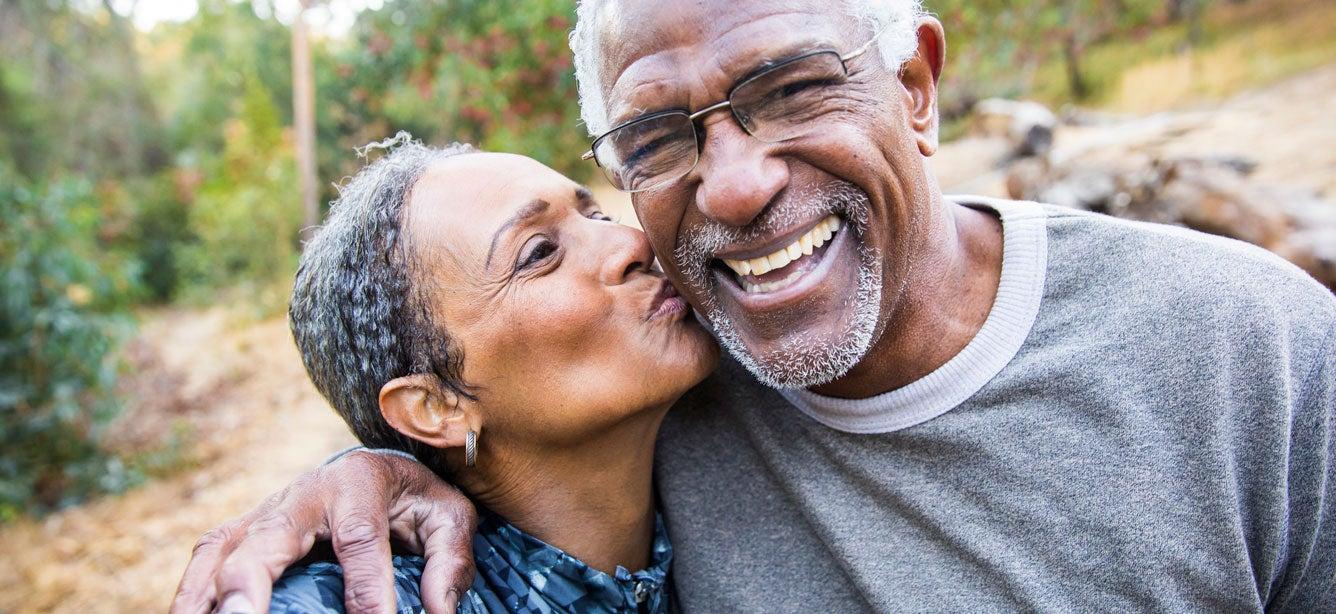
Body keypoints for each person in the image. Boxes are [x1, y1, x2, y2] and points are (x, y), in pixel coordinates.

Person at [173, 1, 1336, 612]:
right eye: (655, 139)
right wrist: (358, 474)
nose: (729, 184)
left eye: (791, 89)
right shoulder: (685, 362)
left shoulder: (1251, 353)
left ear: (917, 87)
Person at [253, 138, 717, 613]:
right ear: (438, 407)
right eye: (539, 253)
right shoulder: (379, 598)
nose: (632, 242)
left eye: (597, 216)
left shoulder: (745, 366)